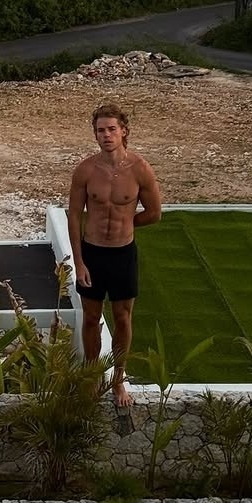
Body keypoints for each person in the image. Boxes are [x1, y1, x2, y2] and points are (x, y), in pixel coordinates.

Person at [67, 101, 162, 407]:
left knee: (123, 317)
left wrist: (128, 223)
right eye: (100, 131)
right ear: (95, 135)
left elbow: (154, 212)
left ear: (124, 131)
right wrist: (79, 262)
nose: (106, 135)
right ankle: (92, 375)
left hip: (122, 253)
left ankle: (118, 378)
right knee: (91, 318)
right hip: (92, 252)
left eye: (111, 129)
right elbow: (73, 216)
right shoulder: (85, 170)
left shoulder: (140, 169)